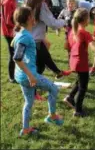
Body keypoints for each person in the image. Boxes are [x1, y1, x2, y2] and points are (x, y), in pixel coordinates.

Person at [12, 7, 64, 136]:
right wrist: (31, 76)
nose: (35, 17)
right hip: (28, 75)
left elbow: (15, 45)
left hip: (20, 75)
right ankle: (52, 116)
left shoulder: (21, 34)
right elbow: (17, 58)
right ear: (30, 18)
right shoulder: (26, 37)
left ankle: (25, 130)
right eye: (33, 15)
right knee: (53, 89)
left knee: (29, 102)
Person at [63, 8, 95, 117]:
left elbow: (67, 46)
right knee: (83, 87)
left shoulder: (72, 31)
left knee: (79, 81)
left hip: (73, 61)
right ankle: (78, 110)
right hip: (81, 63)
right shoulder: (84, 33)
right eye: (89, 17)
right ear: (85, 19)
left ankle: (70, 97)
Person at [26, 0, 68, 90]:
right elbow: (52, 23)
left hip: (29, 38)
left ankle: (56, 73)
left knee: (40, 65)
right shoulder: (41, 5)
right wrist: (65, 21)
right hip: (35, 41)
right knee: (38, 66)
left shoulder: (28, 1)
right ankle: (33, 91)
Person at [1, 0, 23, 83]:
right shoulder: (7, 1)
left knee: (15, 53)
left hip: (12, 31)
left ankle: (14, 75)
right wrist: (18, 26)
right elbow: (8, 20)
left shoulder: (12, 0)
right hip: (9, 32)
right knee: (13, 54)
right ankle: (12, 77)